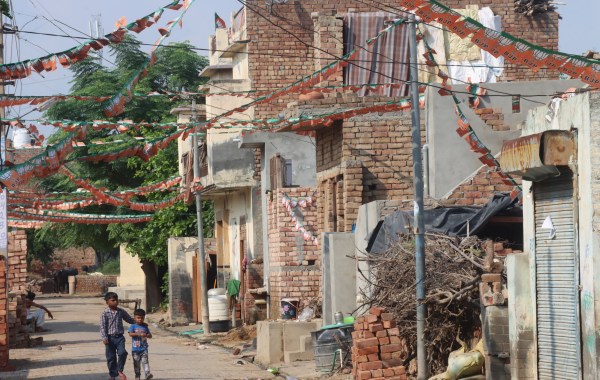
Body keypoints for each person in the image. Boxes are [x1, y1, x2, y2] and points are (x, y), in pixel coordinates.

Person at [100, 292, 135, 380]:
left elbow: (129, 319)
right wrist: (104, 337)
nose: (115, 302)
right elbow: (103, 326)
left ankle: (119, 370)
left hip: (119, 337)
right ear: (107, 302)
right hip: (109, 338)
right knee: (111, 357)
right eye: (113, 300)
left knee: (122, 353)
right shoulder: (105, 313)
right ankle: (112, 375)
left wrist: (139, 322)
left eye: (117, 300)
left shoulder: (121, 311)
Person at [128, 309, 153, 380]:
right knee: (136, 364)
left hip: (144, 348)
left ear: (144, 317)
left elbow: (150, 335)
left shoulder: (145, 327)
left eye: (142, 318)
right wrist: (139, 334)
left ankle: (147, 374)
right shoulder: (133, 326)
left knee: (145, 362)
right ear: (135, 318)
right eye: (138, 318)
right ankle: (137, 376)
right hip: (135, 349)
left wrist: (147, 335)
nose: (140, 319)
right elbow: (130, 334)